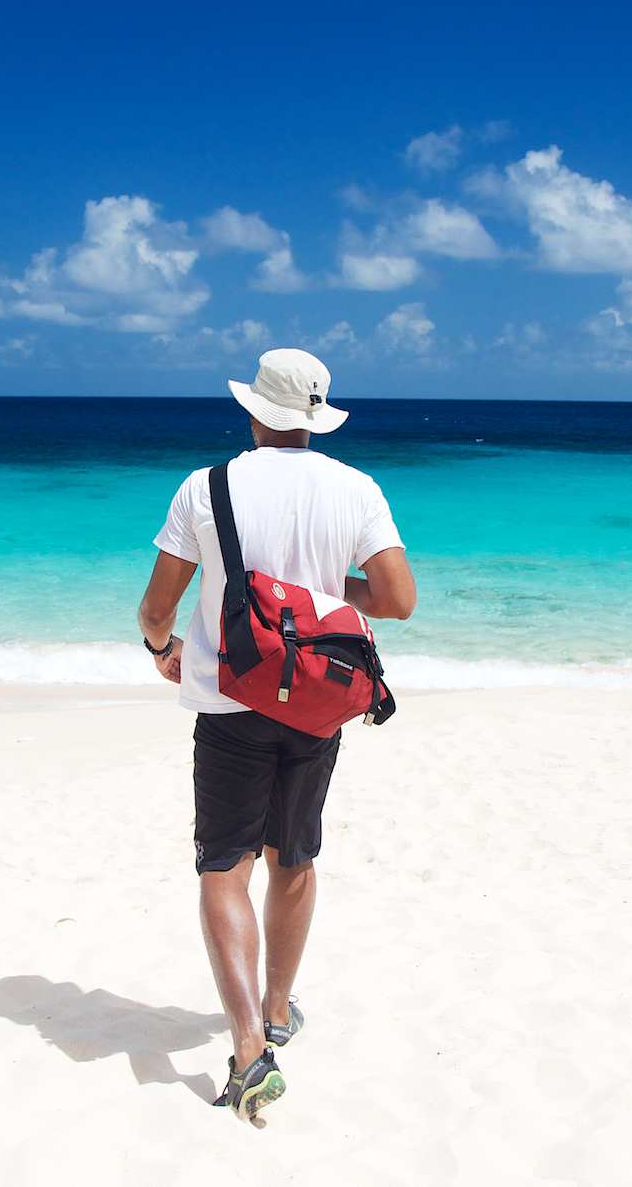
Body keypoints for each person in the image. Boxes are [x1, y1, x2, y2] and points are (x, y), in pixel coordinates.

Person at [135, 348, 417, 1123]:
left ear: (254, 411)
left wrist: (162, 650)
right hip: (317, 704)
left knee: (224, 866)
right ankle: (280, 1008)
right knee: (293, 857)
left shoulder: (207, 486)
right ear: (316, 419)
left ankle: (251, 1050)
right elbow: (397, 599)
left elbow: (158, 607)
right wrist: (328, 586)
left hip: (232, 701)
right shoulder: (356, 488)